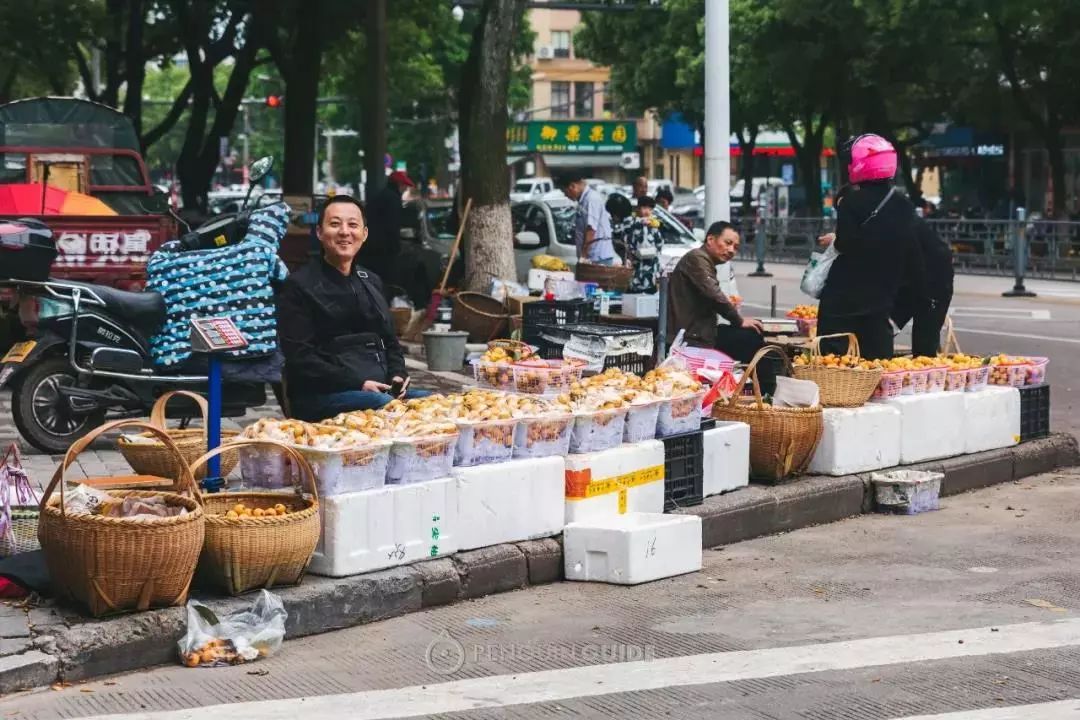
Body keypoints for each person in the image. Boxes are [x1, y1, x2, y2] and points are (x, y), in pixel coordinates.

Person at [278, 195, 428, 421]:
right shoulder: (298, 286)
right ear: (319, 232)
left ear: (364, 234)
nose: (345, 232)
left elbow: (390, 342)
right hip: (321, 395)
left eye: (353, 225)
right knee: (385, 407)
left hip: (378, 390)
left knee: (431, 403)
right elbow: (300, 358)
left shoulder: (371, 280)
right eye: (335, 224)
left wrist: (398, 374)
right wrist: (357, 383)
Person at [816, 134, 922, 360]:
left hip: (846, 294)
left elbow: (845, 243)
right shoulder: (903, 204)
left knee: (835, 359)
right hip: (883, 293)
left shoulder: (852, 202)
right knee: (877, 359)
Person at [668, 221, 777, 392]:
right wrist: (739, 320)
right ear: (710, 239)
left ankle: (761, 394)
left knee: (752, 338)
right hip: (692, 338)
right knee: (751, 339)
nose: (732, 250)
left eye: (736, 246)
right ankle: (766, 395)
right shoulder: (697, 258)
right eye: (728, 243)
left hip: (702, 332)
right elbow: (714, 294)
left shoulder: (703, 261)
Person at [893, 216, 954, 356]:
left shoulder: (892, 217)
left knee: (925, 346)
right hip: (910, 278)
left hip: (932, 280)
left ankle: (926, 369)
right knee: (882, 328)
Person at [360, 170, 414, 283]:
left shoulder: (381, 196)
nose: (405, 189)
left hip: (369, 247)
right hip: (383, 251)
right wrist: (396, 247)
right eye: (404, 186)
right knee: (386, 281)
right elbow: (392, 226)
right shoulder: (393, 199)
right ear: (399, 184)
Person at [563, 172, 616, 265]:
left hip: (598, 257)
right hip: (592, 257)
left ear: (572, 186)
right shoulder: (583, 200)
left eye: (566, 192)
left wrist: (583, 256)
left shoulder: (591, 199)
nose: (566, 196)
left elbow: (591, 230)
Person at [623, 195, 664, 294]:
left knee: (650, 293)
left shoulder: (654, 225)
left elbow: (660, 243)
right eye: (644, 208)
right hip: (636, 267)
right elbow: (627, 242)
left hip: (650, 267)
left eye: (650, 209)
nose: (647, 211)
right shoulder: (631, 223)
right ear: (638, 208)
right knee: (633, 292)